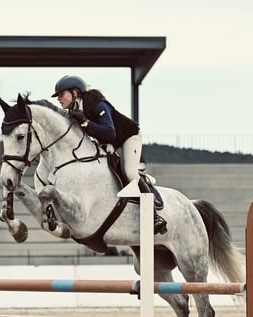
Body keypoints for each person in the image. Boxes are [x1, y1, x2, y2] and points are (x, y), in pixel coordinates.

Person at [51, 75, 167, 234]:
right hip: (109, 142)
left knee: (129, 172)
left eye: (61, 94)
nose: (58, 98)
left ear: (75, 92)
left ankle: (154, 215)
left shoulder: (98, 105)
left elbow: (110, 132)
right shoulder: (75, 111)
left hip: (128, 136)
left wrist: (85, 122)